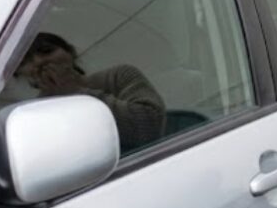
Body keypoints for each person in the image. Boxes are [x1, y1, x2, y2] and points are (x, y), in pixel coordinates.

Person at [14, 31, 166, 153]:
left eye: (47, 51)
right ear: (20, 74)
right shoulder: (32, 115)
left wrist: (74, 91)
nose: (39, 62)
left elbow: (150, 127)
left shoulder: (119, 76)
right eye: (26, 61)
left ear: (71, 53)